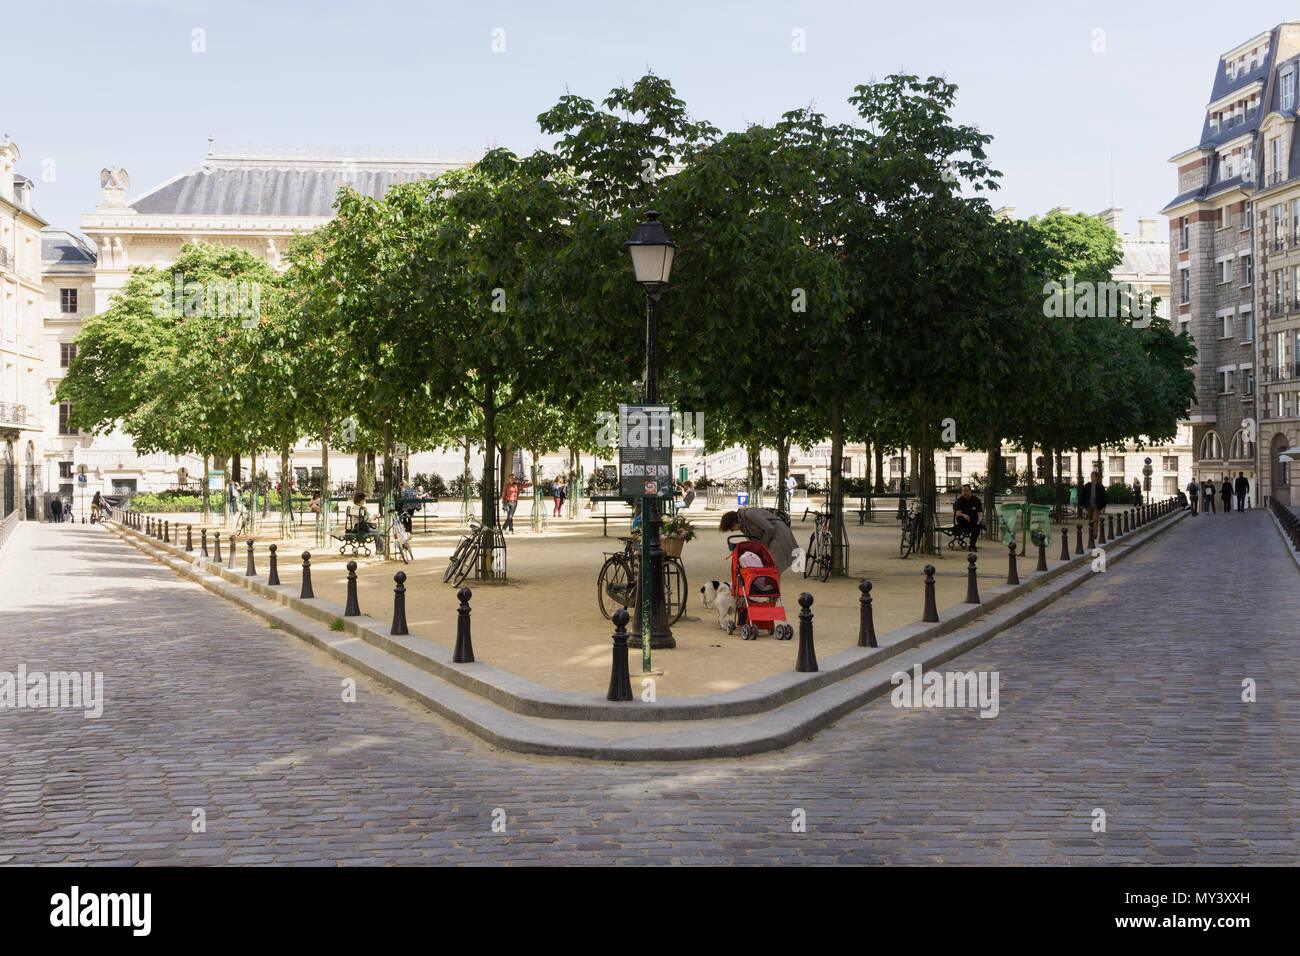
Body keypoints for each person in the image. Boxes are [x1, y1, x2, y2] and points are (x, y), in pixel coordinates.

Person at [719, 507, 799, 573]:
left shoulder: (749, 514)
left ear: (733, 523)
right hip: (772, 537)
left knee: (773, 568)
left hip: (779, 534)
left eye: (731, 528)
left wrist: (762, 545)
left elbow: (769, 528)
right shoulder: (743, 525)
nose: (733, 531)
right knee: (771, 568)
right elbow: (752, 540)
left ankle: (771, 590)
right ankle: (771, 589)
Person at [953, 483, 984, 551]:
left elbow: (979, 513)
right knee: (961, 518)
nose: (964, 492)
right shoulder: (959, 500)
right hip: (964, 520)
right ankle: (979, 525)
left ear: (970, 491)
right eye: (963, 491)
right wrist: (964, 515)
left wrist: (980, 519)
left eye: (966, 490)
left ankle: (972, 546)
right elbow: (958, 513)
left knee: (977, 526)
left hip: (973, 520)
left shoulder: (976, 500)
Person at [1079, 471, 1108, 539]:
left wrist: (1103, 507)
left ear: (1097, 477)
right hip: (1089, 505)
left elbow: (1104, 497)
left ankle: (1095, 533)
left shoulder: (1100, 486)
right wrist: (1082, 504)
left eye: (1093, 476)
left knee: (1095, 520)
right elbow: (1082, 495)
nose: (1092, 478)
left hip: (1097, 506)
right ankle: (1091, 532)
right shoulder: (1087, 485)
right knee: (1090, 520)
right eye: (1091, 476)